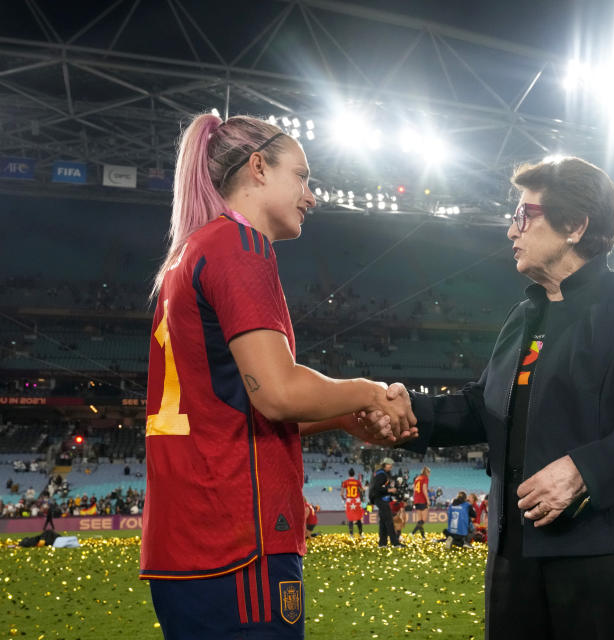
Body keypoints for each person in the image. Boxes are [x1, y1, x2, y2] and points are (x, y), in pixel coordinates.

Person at [364, 157, 614, 640]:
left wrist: (584, 470)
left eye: (524, 215)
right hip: (515, 558)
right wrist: (405, 410)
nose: (510, 230)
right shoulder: (525, 316)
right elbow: (483, 408)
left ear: (575, 226)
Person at [138, 112, 416, 640]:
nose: (311, 196)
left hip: (187, 543)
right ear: (259, 167)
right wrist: (371, 392)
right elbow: (280, 394)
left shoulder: (187, 255)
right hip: (236, 538)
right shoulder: (239, 247)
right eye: (303, 176)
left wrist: (339, 417)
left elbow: (231, 408)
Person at [371, 458, 404, 547]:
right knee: (389, 521)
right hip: (381, 500)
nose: (391, 467)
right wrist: (389, 490)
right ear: (386, 464)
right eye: (390, 465)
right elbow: (377, 488)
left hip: (379, 499)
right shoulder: (381, 474)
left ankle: (382, 543)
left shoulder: (380, 473)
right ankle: (395, 543)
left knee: (383, 522)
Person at [341, 468, 365, 537]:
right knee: (358, 518)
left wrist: (343, 498)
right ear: (354, 474)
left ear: (348, 474)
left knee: (350, 518)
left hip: (349, 501)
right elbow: (362, 490)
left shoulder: (345, 482)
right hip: (356, 501)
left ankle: (351, 534)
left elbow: (342, 493)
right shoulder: (357, 482)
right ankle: (360, 534)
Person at [410, 466, 430, 538]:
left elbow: (414, 490)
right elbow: (424, 489)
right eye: (429, 472)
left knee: (420, 520)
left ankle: (423, 536)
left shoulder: (417, 478)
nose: (429, 474)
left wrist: (414, 500)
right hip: (422, 499)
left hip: (417, 500)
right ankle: (412, 533)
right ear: (426, 472)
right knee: (423, 520)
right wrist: (427, 500)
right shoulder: (425, 478)